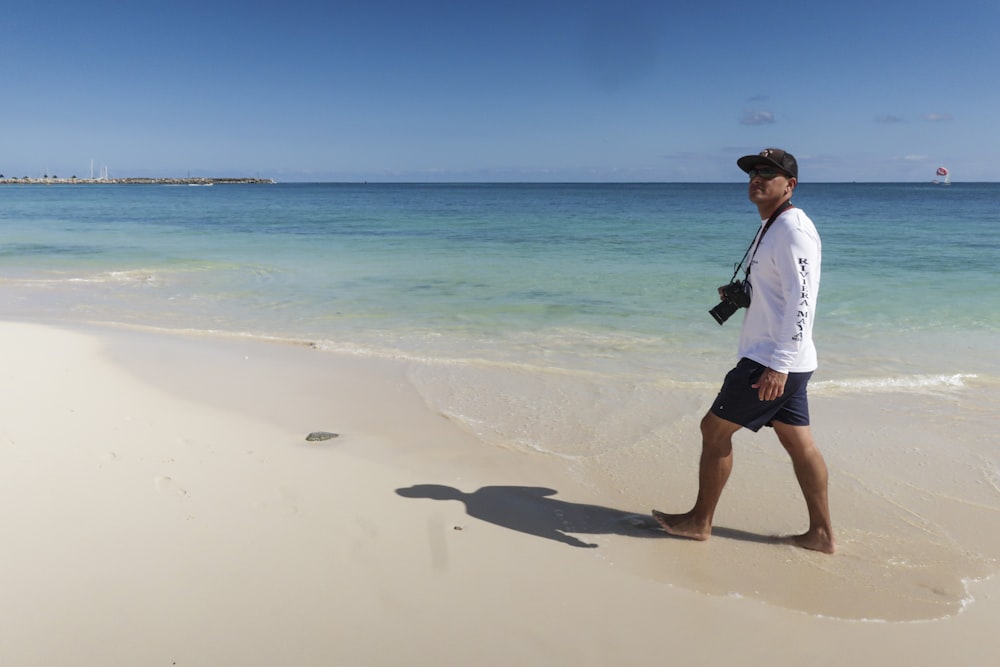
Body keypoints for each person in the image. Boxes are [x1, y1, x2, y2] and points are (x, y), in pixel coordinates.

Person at [652, 148, 835, 554]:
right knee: (799, 444)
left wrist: (779, 366)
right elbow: (779, 291)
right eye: (753, 171)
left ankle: (699, 522)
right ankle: (821, 535)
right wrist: (746, 295)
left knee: (713, 429)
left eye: (769, 172)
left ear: (790, 185)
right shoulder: (772, 225)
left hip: (772, 359)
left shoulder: (793, 229)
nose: (757, 177)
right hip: (782, 357)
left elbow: (803, 301)